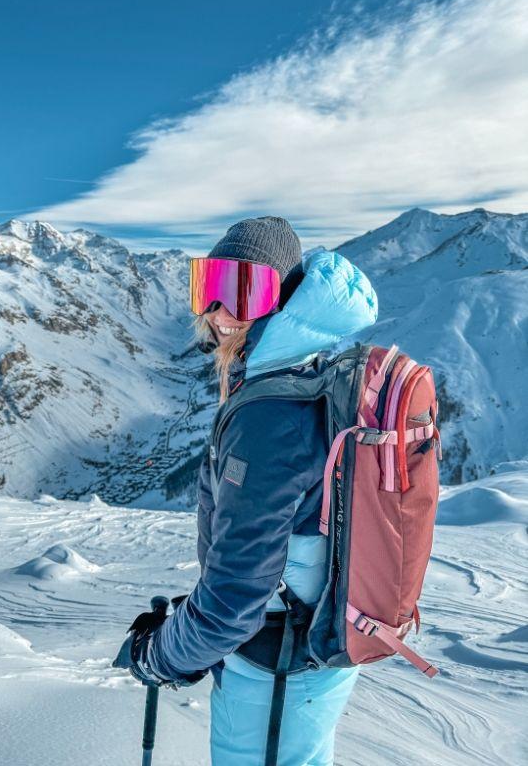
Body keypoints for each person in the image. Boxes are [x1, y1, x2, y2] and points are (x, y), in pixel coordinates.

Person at [115, 216, 378, 765]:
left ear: (283, 298)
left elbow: (235, 599)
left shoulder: (270, 414)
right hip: (308, 649)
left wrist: (160, 657)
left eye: (244, 290)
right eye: (209, 286)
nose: (220, 312)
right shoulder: (305, 373)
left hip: (276, 662)